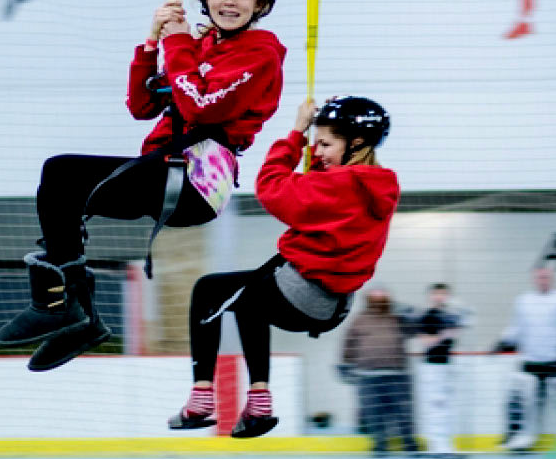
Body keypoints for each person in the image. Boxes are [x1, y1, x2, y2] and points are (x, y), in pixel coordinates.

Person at [0, 0, 286, 372]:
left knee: (66, 177)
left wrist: (178, 43)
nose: (229, 1)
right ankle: (74, 310)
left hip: (197, 182)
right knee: (61, 182)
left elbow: (203, 107)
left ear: (260, 4)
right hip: (163, 168)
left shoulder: (260, 51)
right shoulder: (200, 45)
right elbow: (142, 104)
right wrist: (152, 42)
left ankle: (61, 305)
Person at [166, 96, 401, 439]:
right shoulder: (374, 185)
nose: (317, 150)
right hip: (332, 305)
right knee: (246, 302)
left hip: (302, 293)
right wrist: (318, 154)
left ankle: (202, 397)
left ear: (357, 142)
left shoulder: (338, 184)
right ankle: (259, 405)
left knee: (208, 291)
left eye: (325, 144)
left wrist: (296, 134)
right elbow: (323, 195)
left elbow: (271, 187)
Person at [494, 266, 556, 450]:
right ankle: (526, 438)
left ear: (553, 278)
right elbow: (516, 328)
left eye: (547, 277)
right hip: (531, 361)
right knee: (529, 404)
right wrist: (501, 341)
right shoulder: (523, 301)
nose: (543, 280)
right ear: (534, 279)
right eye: (540, 277)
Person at [340, 286, 417, 454]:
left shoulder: (397, 317)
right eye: (375, 295)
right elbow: (349, 343)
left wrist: (409, 314)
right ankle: (380, 444)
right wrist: (345, 365)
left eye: (382, 295)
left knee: (404, 411)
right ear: (367, 299)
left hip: (396, 374)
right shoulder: (359, 319)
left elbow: (414, 331)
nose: (378, 298)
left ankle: (409, 443)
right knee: (373, 413)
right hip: (367, 376)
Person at [411, 283, 470, 459]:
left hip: (446, 366)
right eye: (436, 294)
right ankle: (437, 450)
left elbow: (456, 336)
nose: (440, 297)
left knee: (447, 409)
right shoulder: (426, 316)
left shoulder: (450, 316)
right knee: (436, 409)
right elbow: (426, 342)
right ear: (430, 296)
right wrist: (444, 335)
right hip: (431, 367)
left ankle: (447, 449)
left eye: (443, 294)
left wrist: (458, 326)